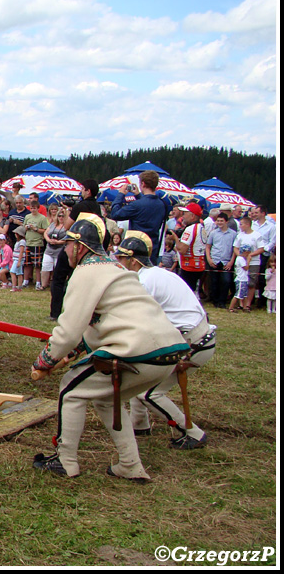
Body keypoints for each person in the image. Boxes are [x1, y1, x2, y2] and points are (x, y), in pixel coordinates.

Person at [31, 214, 189, 482]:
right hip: (168, 351)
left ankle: (65, 459)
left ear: (80, 247)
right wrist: (76, 350)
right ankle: (130, 465)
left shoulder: (86, 272)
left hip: (140, 350)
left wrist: (45, 360)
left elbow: (69, 329)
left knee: (70, 390)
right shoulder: (117, 269)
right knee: (104, 397)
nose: (65, 249)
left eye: (68, 244)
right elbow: (103, 324)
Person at [116, 231, 215, 450]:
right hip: (193, 338)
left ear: (133, 261)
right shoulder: (157, 274)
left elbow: (134, 319)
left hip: (193, 343)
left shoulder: (144, 280)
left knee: (149, 392)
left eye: (121, 258)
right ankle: (139, 423)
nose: (117, 262)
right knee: (138, 374)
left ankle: (191, 432)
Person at [49, 179, 103, 320]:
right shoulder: (97, 207)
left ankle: (55, 313)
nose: (81, 191)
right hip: (89, 249)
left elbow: (67, 226)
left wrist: (67, 211)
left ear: (88, 191)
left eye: (83, 189)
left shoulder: (80, 206)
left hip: (74, 246)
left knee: (58, 280)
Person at [108, 170, 169, 265]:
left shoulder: (136, 205)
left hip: (137, 249)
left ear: (143, 184)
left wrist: (120, 194)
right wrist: (138, 195)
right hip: (153, 248)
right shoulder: (162, 204)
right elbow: (147, 206)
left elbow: (115, 214)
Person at [170, 203, 206, 297]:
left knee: (186, 292)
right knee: (194, 290)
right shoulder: (201, 227)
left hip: (189, 265)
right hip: (199, 264)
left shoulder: (190, 229)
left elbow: (182, 250)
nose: (183, 216)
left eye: (185, 213)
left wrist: (175, 238)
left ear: (192, 216)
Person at [228, 216, 263, 309]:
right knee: (241, 281)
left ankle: (248, 304)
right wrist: (240, 255)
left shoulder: (257, 235)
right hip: (241, 263)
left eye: (241, 224)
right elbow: (235, 247)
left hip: (253, 262)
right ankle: (241, 303)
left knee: (251, 283)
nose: (240, 226)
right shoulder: (240, 235)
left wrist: (251, 255)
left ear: (248, 224)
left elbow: (261, 248)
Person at [205, 212, 237, 309]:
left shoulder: (233, 234)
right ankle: (215, 300)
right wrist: (209, 259)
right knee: (214, 282)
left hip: (226, 261)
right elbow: (208, 247)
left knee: (226, 281)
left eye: (221, 221)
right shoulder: (213, 233)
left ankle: (222, 301)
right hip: (215, 259)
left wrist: (231, 262)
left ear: (226, 221)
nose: (219, 223)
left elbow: (235, 249)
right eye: (218, 221)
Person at [250, 205, 276, 310]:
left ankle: (262, 301)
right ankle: (251, 300)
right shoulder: (253, 225)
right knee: (252, 277)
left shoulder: (271, 226)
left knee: (262, 278)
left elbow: (272, 241)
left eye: (257, 212)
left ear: (263, 213)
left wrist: (263, 249)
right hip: (253, 254)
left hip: (264, 254)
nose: (254, 214)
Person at [23, 202, 49, 290]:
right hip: (28, 242)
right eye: (31, 208)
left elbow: (46, 230)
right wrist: (26, 227)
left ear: (38, 208)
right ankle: (25, 281)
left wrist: (36, 229)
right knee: (27, 263)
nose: (33, 210)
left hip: (37, 243)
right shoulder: (27, 217)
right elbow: (23, 228)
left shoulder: (42, 218)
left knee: (37, 265)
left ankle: (38, 282)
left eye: (34, 208)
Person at [41, 207, 67, 290]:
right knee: (45, 266)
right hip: (49, 248)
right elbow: (45, 233)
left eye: (63, 216)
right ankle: (43, 285)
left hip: (60, 249)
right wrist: (48, 240)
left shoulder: (67, 226)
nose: (61, 218)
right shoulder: (53, 224)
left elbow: (68, 237)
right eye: (59, 216)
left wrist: (58, 242)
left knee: (58, 268)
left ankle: (57, 285)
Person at [228, 246, 252, 312]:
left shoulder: (242, 259)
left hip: (244, 279)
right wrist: (248, 261)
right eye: (247, 253)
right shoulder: (240, 259)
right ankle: (231, 308)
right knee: (238, 294)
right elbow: (246, 268)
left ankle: (244, 307)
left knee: (244, 295)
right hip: (240, 279)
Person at [9, 226, 27, 292]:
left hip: (18, 260)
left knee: (12, 272)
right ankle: (19, 287)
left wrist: (19, 261)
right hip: (16, 259)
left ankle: (14, 286)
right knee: (19, 273)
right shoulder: (18, 241)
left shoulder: (22, 242)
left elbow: (21, 251)